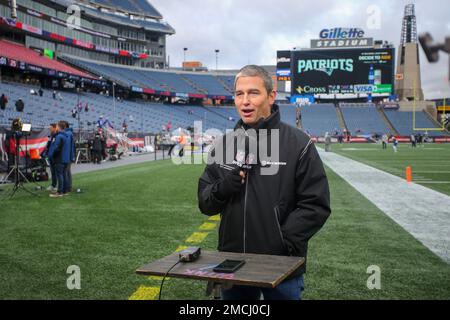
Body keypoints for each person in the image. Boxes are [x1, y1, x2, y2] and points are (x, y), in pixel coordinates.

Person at [198, 65, 331, 300]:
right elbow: (205, 203)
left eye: (253, 93)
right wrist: (223, 188)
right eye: (239, 94)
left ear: (270, 96)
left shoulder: (299, 143)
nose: (245, 101)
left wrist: (281, 240)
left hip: (281, 266)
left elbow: (316, 205)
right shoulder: (223, 146)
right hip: (232, 263)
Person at [48, 121, 69, 197]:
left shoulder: (59, 136)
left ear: (59, 127)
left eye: (57, 126)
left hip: (59, 158)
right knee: (63, 175)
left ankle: (59, 192)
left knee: (59, 175)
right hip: (65, 158)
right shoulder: (66, 136)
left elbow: (56, 148)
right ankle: (64, 191)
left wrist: (52, 155)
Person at [42, 123, 58, 192]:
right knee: (52, 172)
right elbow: (49, 146)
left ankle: (57, 186)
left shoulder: (57, 136)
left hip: (55, 157)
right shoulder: (51, 136)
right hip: (51, 157)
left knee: (57, 172)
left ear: (54, 128)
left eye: (51, 127)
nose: (49, 129)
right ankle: (53, 185)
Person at [63, 121, 75, 193]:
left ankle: (68, 187)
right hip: (69, 155)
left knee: (66, 172)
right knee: (68, 172)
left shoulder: (68, 134)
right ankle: (68, 186)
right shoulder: (69, 133)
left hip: (68, 156)